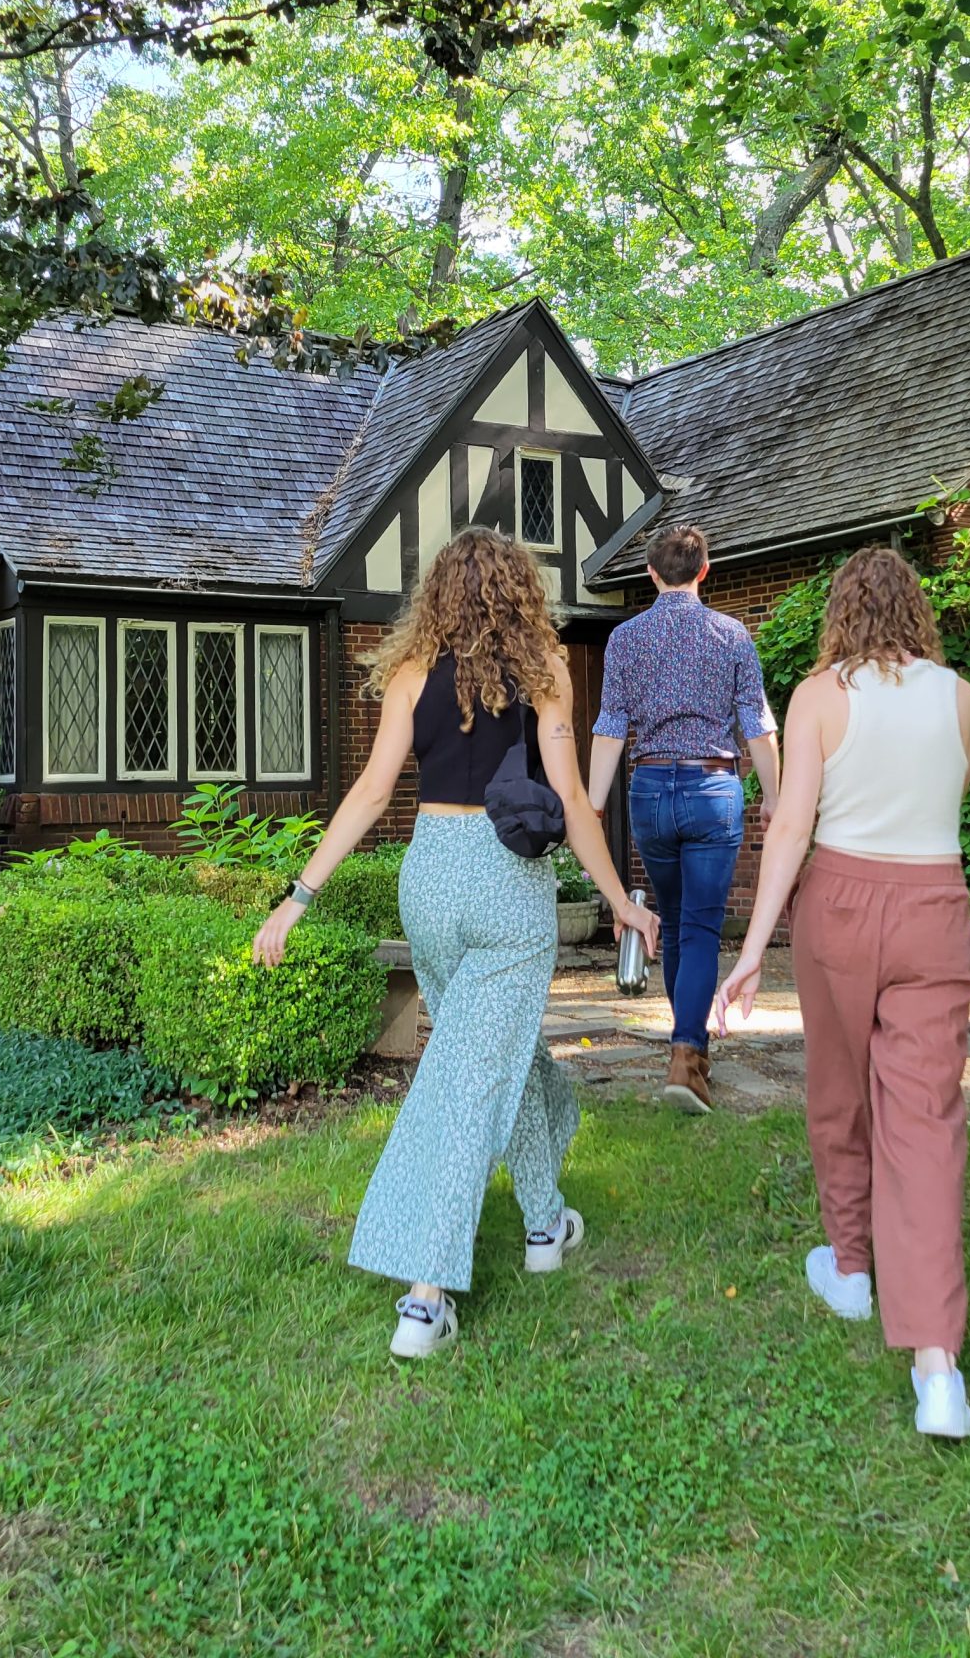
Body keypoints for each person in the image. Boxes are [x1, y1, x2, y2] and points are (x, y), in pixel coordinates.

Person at [253, 528, 660, 1360]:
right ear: (521, 594)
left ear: (436, 595)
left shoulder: (409, 675)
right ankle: (423, 1297)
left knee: (495, 1057)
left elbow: (371, 794)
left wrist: (297, 899)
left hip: (430, 878)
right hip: (506, 886)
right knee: (464, 1082)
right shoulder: (546, 675)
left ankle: (545, 1222)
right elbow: (575, 804)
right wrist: (620, 899)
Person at [714, 547, 970, 1439]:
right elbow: (948, 800)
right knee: (925, 1119)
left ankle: (851, 1267)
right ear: (916, 610)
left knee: (837, 1093)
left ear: (841, 613)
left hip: (840, 899)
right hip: (935, 903)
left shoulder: (820, 696)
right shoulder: (961, 698)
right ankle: (936, 1366)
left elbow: (791, 823)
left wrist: (752, 947)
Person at [586, 524, 781, 1115]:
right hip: (712, 788)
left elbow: (610, 726)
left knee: (670, 922)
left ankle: (687, 1052)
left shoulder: (625, 639)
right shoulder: (731, 635)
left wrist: (591, 805)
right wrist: (774, 798)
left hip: (649, 791)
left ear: (650, 574)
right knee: (697, 928)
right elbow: (757, 724)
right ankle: (686, 1054)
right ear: (704, 570)